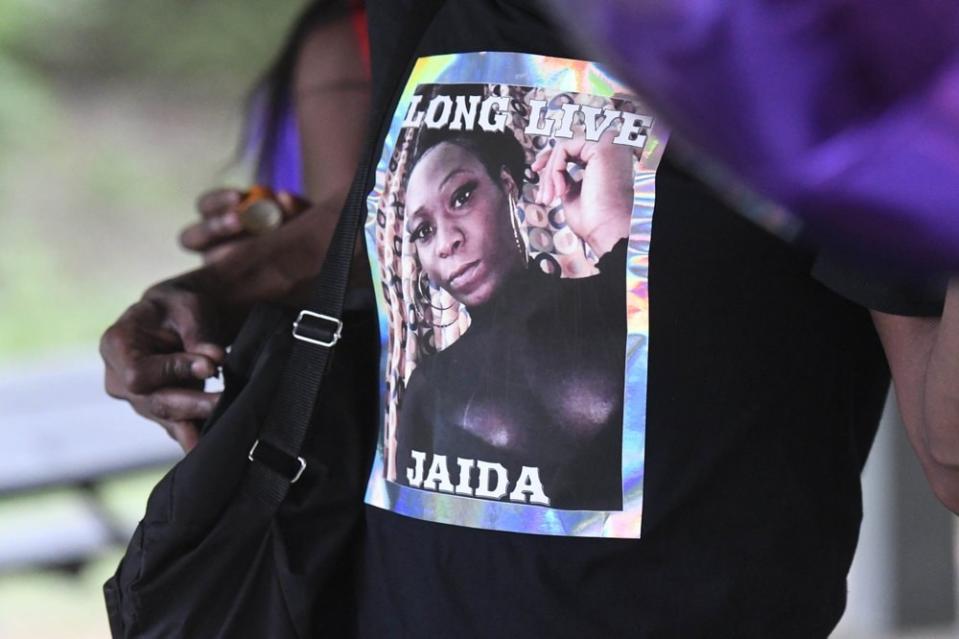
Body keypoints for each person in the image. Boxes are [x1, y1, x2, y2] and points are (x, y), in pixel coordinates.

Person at [102, 1, 959, 637]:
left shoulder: (812, 34)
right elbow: (373, 204)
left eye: (471, 198)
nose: (445, 247)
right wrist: (221, 285)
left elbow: (948, 450)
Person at [100, 0, 371, 450]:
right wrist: (268, 250)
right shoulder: (346, 36)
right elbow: (351, 229)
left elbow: (363, 230)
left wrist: (246, 275)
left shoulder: (348, 41)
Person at [392, 111, 635, 510]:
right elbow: (419, 535)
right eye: (423, 231)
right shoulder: (427, 390)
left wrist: (611, 225)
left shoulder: (619, 298)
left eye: (462, 197)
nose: (446, 242)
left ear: (506, 185)